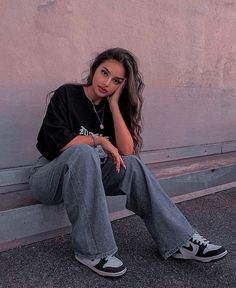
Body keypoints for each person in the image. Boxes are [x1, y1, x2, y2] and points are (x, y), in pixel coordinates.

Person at [29, 47, 228, 278]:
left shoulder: (110, 106)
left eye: (116, 80)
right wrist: (99, 140)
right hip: (48, 177)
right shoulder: (67, 94)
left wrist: (114, 105)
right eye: (104, 73)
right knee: (83, 152)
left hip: (87, 176)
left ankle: (181, 241)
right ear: (94, 69)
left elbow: (126, 151)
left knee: (132, 165)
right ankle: (92, 251)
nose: (106, 83)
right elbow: (54, 139)